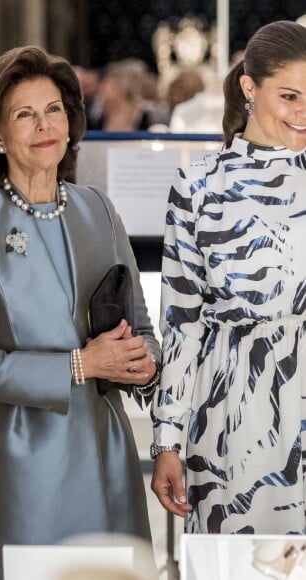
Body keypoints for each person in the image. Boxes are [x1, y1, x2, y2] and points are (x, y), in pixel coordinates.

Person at [0, 45, 161, 580]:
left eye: (54, 110)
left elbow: (140, 325)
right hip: (21, 460)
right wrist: (82, 365)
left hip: (106, 452)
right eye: (24, 114)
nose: (44, 125)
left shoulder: (98, 207)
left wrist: (144, 362)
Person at [151, 20, 306, 535]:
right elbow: (182, 324)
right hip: (231, 416)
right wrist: (166, 440)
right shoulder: (198, 185)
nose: (302, 111)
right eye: (289, 95)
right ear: (249, 87)